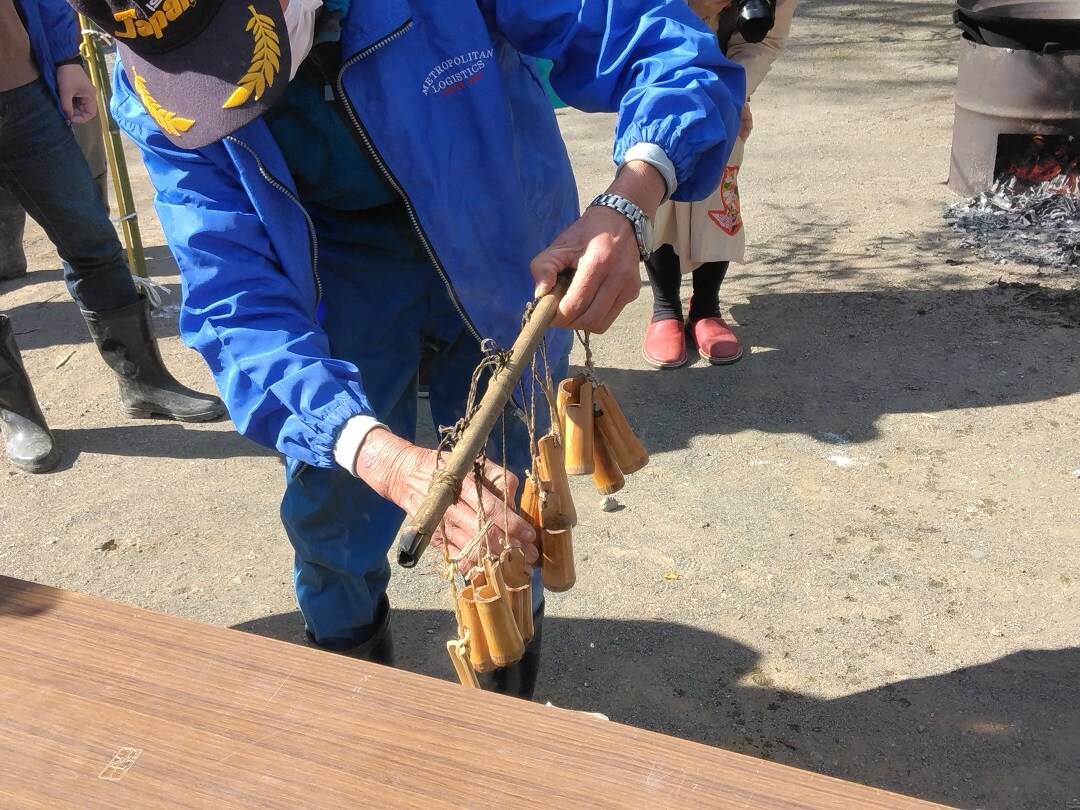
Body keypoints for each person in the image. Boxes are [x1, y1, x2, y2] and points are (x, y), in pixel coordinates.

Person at [69, 0, 745, 697]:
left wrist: (629, 201)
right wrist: (373, 451)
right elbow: (233, 298)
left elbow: (660, 45)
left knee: (507, 494)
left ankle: (505, 708)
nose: (215, 71)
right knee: (336, 503)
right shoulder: (165, 87)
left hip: (500, 237)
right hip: (332, 279)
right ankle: (359, 708)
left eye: (228, 46)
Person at [0, 0, 225, 474]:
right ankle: (16, 411)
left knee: (92, 241)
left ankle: (144, 382)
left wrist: (65, 58)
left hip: (22, 92)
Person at [641, 0, 798, 368]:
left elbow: (765, 42)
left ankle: (706, 307)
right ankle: (665, 308)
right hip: (656, 72)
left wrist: (729, 91)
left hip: (727, 84)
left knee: (720, 184)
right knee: (657, 186)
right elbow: (640, 23)